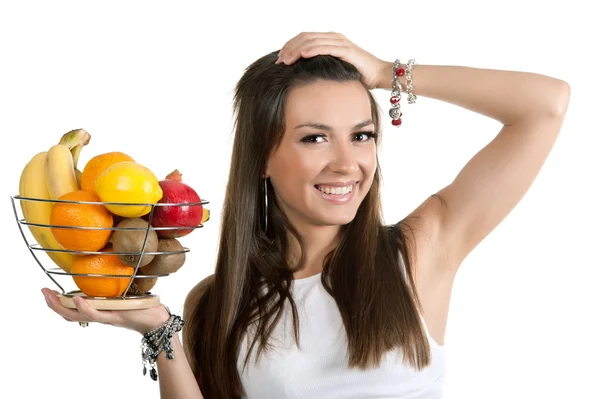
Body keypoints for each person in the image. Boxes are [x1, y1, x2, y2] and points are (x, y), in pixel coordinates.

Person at [41, 32, 570, 398]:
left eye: (361, 135)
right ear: (263, 158)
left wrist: (388, 72)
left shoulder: (418, 252)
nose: (348, 163)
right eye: (315, 137)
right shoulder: (218, 300)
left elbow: (545, 104)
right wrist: (160, 332)